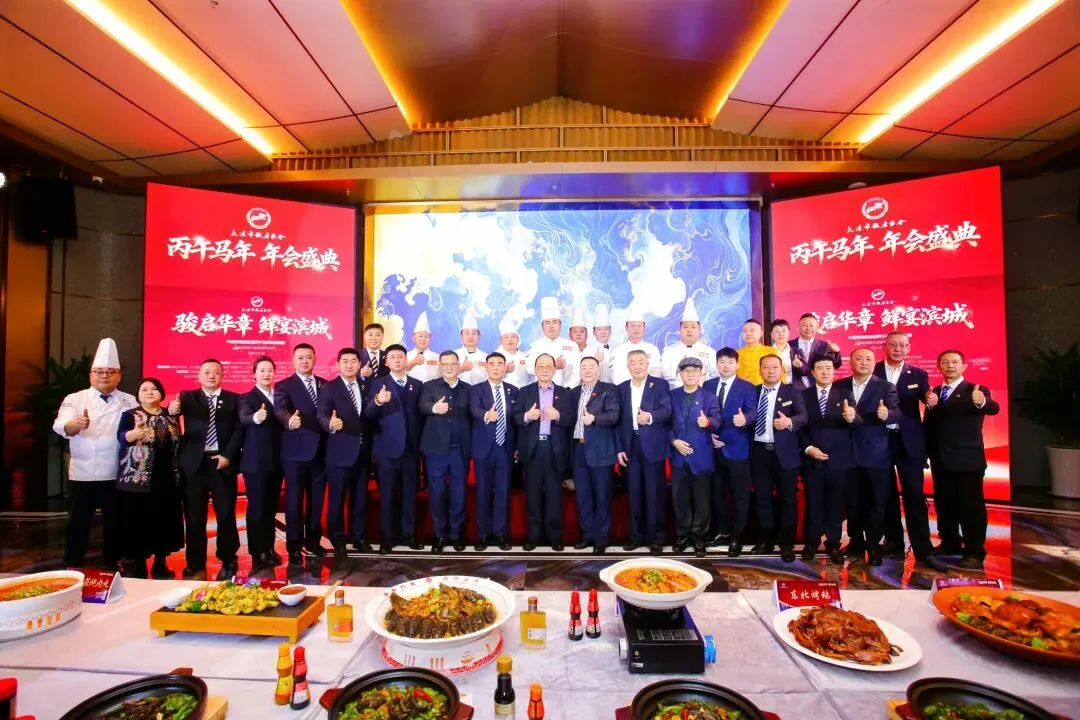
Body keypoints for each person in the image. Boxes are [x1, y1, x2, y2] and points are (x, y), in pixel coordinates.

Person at [52, 338, 137, 570]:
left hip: (115, 472)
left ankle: (113, 563)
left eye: (110, 372)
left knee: (115, 522)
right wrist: (75, 424)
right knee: (78, 522)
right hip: (83, 472)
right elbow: (60, 425)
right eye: (99, 371)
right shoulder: (75, 398)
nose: (104, 376)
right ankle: (73, 564)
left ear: (119, 376)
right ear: (91, 375)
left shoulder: (129, 401)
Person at [874, 332, 947, 571]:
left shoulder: (917, 374)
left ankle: (923, 550)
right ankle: (893, 542)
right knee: (885, 494)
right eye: (893, 345)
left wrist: (930, 399)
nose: (897, 349)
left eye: (902, 345)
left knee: (914, 495)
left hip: (909, 442)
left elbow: (926, 396)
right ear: (884, 346)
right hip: (880, 440)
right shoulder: (874, 370)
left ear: (909, 348)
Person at [924, 349, 1000, 570]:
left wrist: (981, 402)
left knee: (971, 506)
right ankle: (950, 543)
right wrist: (925, 453)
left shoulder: (976, 390)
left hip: (967, 459)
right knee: (944, 504)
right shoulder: (935, 392)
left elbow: (993, 407)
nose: (950, 366)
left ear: (964, 366)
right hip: (940, 459)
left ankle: (974, 551)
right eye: (945, 362)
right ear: (938, 366)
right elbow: (930, 425)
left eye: (955, 362)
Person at [169, 359, 243, 580]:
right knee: (194, 516)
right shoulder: (187, 397)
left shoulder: (234, 399)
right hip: (194, 465)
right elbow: (173, 413)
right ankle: (195, 562)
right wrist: (172, 409)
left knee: (226, 514)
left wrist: (228, 455)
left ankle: (228, 559)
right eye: (207, 372)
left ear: (223, 375)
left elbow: (239, 429)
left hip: (222, 463)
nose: (212, 375)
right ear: (199, 376)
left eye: (216, 372)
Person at [836, 347, 900, 566]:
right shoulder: (840, 386)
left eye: (868, 359)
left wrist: (887, 414)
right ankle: (856, 541)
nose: (863, 362)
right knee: (852, 501)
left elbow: (897, 412)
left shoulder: (885, 387)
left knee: (877, 502)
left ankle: (874, 545)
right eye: (859, 358)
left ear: (874, 363)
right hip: (847, 453)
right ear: (851, 362)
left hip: (875, 454)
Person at [115, 377, 183, 579]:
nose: (149, 392)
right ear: (138, 395)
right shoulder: (130, 415)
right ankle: (138, 563)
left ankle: (161, 562)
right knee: (138, 521)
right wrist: (132, 434)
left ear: (161, 393)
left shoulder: (170, 415)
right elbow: (121, 437)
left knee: (164, 519)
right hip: (138, 477)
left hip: (166, 476)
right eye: (144, 389)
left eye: (154, 389)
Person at [317, 348, 374, 565]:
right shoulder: (329, 388)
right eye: (345, 361)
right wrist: (330, 424)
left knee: (360, 499)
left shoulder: (366, 386)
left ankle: (359, 537)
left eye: (353, 361)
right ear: (338, 364)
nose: (349, 365)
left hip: (362, 453)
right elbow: (321, 414)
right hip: (339, 453)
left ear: (359, 364)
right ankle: (338, 541)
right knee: (337, 500)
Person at [273, 343, 328, 565]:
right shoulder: (284, 385)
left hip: (321, 453)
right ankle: (294, 547)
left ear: (314, 359)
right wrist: (289, 421)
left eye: (308, 357)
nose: (305, 361)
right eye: (300, 358)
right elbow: (279, 409)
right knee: (294, 502)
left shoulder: (325, 384)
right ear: (293, 361)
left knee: (316, 501)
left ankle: (313, 541)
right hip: (295, 453)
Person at [367, 344, 425, 554]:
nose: (397, 360)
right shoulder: (378, 384)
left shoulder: (417, 385)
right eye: (393, 357)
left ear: (406, 359)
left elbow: (421, 416)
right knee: (388, 495)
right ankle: (387, 538)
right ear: (387, 361)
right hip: (387, 450)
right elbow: (368, 414)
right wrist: (377, 401)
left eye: (401, 356)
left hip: (410, 449)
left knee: (410, 494)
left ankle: (409, 535)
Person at [798, 355, 855, 565]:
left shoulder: (845, 394)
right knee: (813, 501)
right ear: (812, 372)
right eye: (820, 368)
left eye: (828, 368)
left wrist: (851, 417)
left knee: (835, 502)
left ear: (834, 371)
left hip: (838, 459)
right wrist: (808, 448)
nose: (825, 372)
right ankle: (811, 542)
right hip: (812, 458)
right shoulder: (803, 395)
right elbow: (799, 427)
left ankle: (833, 544)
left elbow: (855, 420)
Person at [749, 354, 806, 562]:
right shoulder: (753, 392)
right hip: (759, 452)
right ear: (760, 370)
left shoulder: (792, 391)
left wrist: (789, 422)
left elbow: (803, 416)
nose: (770, 371)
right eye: (766, 367)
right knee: (762, 498)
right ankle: (765, 540)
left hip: (785, 454)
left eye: (775, 367)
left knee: (787, 500)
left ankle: (786, 544)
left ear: (781, 370)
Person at [513, 353, 574, 551]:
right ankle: (533, 537)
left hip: (555, 449)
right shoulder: (525, 392)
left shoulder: (564, 393)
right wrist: (527, 416)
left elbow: (571, 419)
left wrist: (559, 416)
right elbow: (515, 417)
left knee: (555, 496)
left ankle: (555, 537)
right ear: (535, 369)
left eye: (549, 366)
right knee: (533, 495)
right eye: (541, 366)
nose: (545, 369)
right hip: (532, 449)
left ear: (555, 369)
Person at [702, 348, 757, 557]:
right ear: (716, 364)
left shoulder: (747, 387)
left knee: (739, 495)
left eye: (730, 362)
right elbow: (702, 415)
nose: (726, 366)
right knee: (716, 494)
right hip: (713, 449)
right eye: (722, 362)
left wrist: (745, 419)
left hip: (737, 449)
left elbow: (753, 412)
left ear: (737, 364)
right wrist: (709, 435)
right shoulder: (708, 385)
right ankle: (722, 531)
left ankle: (737, 536)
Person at [617, 349, 671, 554]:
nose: (637, 366)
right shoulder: (622, 388)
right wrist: (620, 448)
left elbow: (667, 411)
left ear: (647, 364)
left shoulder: (660, 385)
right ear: (627, 366)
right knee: (634, 493)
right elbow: (618, 422)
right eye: (633, 363)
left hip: (653, 446)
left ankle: (656, 538)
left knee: (655, 494)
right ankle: (635, 537)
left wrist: (649, 417)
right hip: (630, 446)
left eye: (641, 362)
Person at [420, 350, 473, 551]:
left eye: (453, 363)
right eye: (445, 364)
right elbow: (422, 405)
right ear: (439, 366)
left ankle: (456, 535)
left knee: (459, 493)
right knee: (437, 492)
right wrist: (435, 408)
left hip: (460, 450)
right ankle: (440, 536)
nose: (449, 367)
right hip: (436, 450)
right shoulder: (429, 386)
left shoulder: (468, 389)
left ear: (459, 366)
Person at [668, 357, 721, 556]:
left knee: (702, 500)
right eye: (686, 371)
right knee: (679, 498)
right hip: (678, 455)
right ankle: (683, 535)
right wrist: (674, 441)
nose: (690, 374)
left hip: (701, 456)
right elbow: (665, 424)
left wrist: (708, 423)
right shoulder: (672, 395)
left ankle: (699, 536)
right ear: (680, 374)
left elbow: (717, 421)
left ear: (701, 373)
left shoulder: (709, 397)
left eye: (694, 371)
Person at [568, 357, 620, 554]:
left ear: (599, 370)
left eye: (592, 367)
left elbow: (614, 415)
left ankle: (602, 538)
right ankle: (587, 535)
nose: (587, 371)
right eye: (584, 367)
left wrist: (594, 419)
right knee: (583, 496)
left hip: (601, 451)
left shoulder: (609, 390)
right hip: (578, 449)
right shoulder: (574, 393)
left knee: (602, 496)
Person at [239, 356, 284, 573]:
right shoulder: (247, 398)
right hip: (256, 463)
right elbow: (244, 417)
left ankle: (269, 548)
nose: (267, 374)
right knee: (257, 509)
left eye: (270, 370)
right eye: (262, 370)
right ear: (254, 374)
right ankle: (258, 553)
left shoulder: (280, 396)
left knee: (270, 508)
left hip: (277, 461)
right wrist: (256, 417)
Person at [470, 352, 518, 551]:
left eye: (500, 364)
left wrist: (517, 447)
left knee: (502, 493)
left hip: (505, 448)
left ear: (505, 368)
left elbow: (516, 421)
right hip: (483, 448)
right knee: (482, 493)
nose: (496, 367)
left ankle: (500, 534)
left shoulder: (513, 390)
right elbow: (473, 410)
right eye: (492, 364)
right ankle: (483, 535)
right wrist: (486, 415)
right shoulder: (476, 389)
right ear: (486, 367)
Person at [526, 296, 581, 388]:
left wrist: (567, 390)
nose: (551, 326)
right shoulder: (535, 346)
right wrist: (554, 365)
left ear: (560, 325)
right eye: (547, 323)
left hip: (567, 391)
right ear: (542, 327)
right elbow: (529, 368)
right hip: (541, 391)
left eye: (555, 322)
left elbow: (577, 372)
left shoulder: (572, 345)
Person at [661, 298, 717, 388]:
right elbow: (665, 375)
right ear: (679, 330)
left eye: (693, 327)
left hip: (702, 393)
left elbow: (714, 376)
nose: (689, 330)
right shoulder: (669, 351)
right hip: (674, 393)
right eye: (685, 327)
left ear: (699, 330)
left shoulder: (710, 352)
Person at [611, 309, 662, 385]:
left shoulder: (653, 349)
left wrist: (644, 386)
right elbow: (614, 374)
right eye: (632, 326)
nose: (636, 329)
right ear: (626, 328)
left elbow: (657, 372)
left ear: (644, 328)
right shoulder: (617, 351)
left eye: (639, 326)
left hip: (648, 388)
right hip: (624, 389)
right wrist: (630, 386)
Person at [791, 313, 841, 389]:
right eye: (804, 325)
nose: (808, 328)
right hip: (794, 388)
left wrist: (836, 352)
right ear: (798, 327)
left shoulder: (824, 346)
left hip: (817, 387)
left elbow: (836, 365)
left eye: (811, 325)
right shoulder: (789, 345)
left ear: (817, 327)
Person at [737, 319, 781, 385]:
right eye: (745, 331)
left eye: (752, 331)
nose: (748, 334)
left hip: (765, 389)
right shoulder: (736, 354)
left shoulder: (772, 352)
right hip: (742, 389)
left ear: (761, 333)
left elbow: (781, 374)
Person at [456, 308, 488, 385]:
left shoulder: (485, 356)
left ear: (479, 335)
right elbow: (446, 378)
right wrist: (462, 369)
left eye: (474, 333)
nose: (470, 336)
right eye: (467, 333)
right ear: (461, 336)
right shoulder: (453, 355)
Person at [406, 312, 440, 383]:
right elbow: (400, 373)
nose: (423, 339)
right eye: (420, 336)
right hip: (411, 389)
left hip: (432, 389)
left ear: (430, 339)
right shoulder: (406, 356)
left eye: (426, 337)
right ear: (413, 338)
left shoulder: (437, 357)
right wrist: (413, 362)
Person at [496, 317, 529, 388]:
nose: (510, 340)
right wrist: (505, 370)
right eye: (506, 337)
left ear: (518, 339)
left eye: (513, 337)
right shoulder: (495, 357)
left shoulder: (525, 356)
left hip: (523, 392)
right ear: (501, 340)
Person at [589, 304, 615, 383]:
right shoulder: (588, 351)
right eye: (599, 329)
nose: (603, 332)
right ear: (594, 332)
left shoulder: (616, 350)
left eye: (606, 329)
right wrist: (595, 361)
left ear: (610, 331)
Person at [770, 320, 795, 385]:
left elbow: (805, 371)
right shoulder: (767, 352)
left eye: (784, 331)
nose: (781, 334)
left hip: (794, 387)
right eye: (777, 331)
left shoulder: (796, 351)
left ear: (788, 332)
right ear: (772, 334)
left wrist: (800, 365)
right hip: (775, 386)